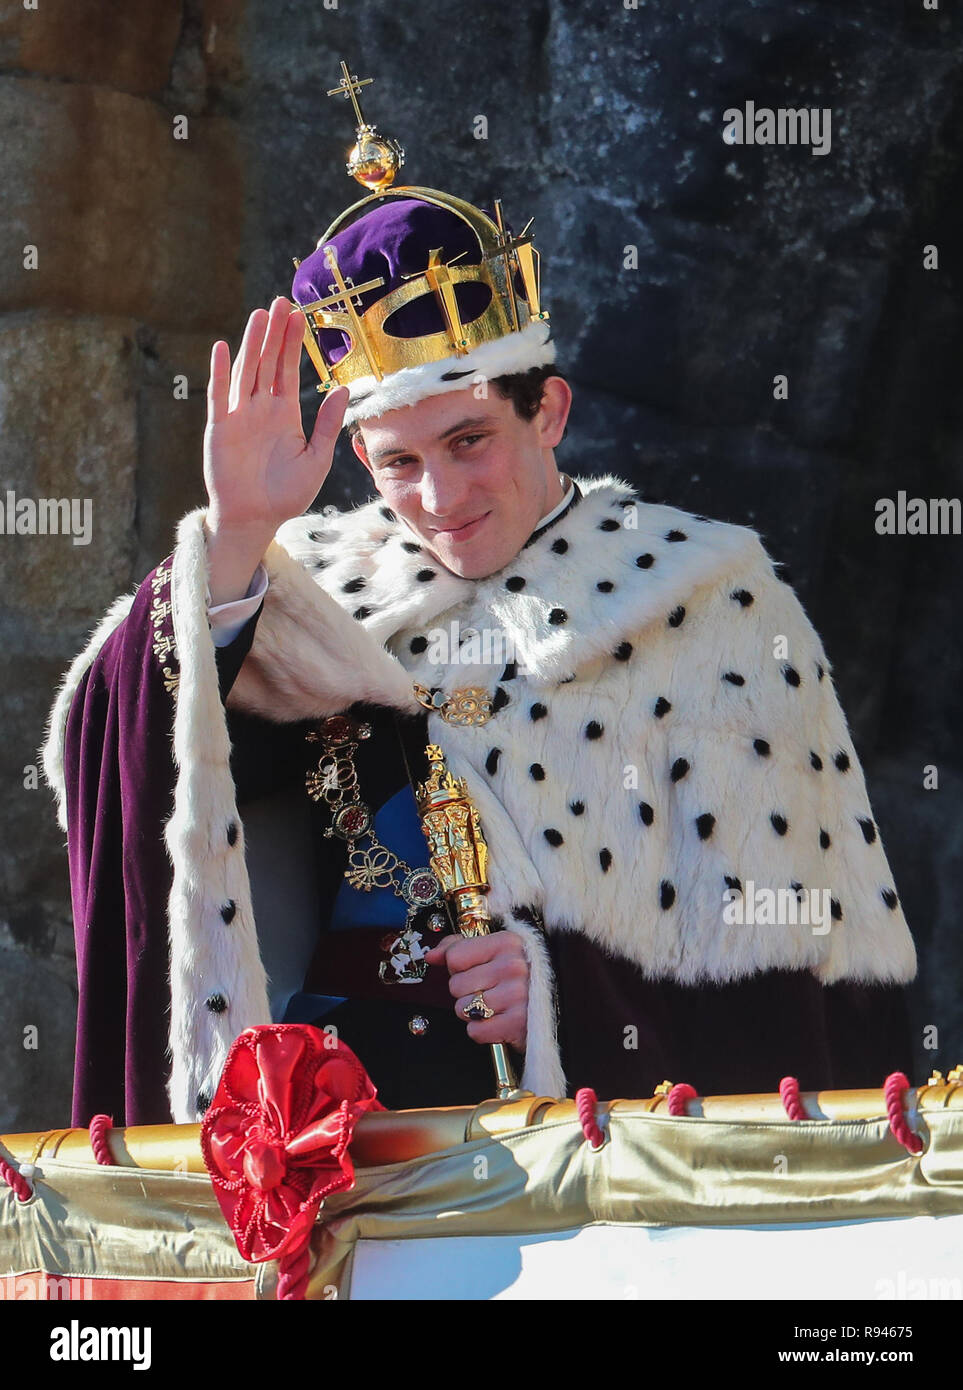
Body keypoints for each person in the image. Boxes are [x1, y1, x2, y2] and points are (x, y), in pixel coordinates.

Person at [40, 72, 916, 1127]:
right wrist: (233, 537)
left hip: (576, 1175)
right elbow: (124, 756)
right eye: (399, 462)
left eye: (469, 442)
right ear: (358, 452)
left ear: (547, 409)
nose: (440, 499)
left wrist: (561, 1000)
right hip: (334, 1152)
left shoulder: (712, 600)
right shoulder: (312, 590)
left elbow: (795, 983)